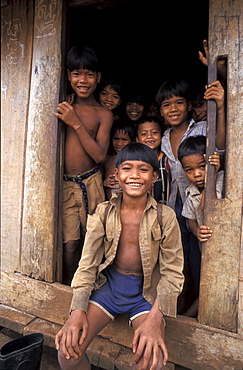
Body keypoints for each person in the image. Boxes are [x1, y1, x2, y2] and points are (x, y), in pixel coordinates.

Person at [55, 142, 184, 370]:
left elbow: (172, 274)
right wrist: (77, 310)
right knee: (68, 353)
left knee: (152, 362)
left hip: (145, 295)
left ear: (154, 177)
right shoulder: (103, 213)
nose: (135, 175)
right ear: (116, 174)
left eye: (143, 170)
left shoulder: (166, 217)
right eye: (127, 168)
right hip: (108, 289)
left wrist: (156, 318)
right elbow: (87, 264)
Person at [155, 78, 225, 313]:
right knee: (179, 260)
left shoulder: (203, 128)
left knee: (202, 259)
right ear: (161, 111)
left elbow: (222, 145)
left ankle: (203, 308)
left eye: (179, 103)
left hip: (203, 207)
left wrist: (222, 107)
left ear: (189, 106)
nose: (173, 109)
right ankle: (179, 307)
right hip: (177, 208)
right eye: (167, 105)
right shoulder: (164, 137)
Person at [54, 45, 113, 285]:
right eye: (77, 74)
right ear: (68, 76)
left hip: (91, 182)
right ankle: (70, 283)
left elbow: (100, 155)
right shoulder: (61, 106)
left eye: (89, 74)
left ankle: (91, 284)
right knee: (70, 243)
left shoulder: (103, 114)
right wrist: (70, 114)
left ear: (98, 78)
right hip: (66, 184)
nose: (83, 80)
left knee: (95, 238)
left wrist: (75, 122)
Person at [178, 135, 224, 317]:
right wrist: (195, 230)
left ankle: (188, 317)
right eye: (189, 170)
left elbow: (208, 206)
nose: (196, 174)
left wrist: (211, 177)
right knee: (203, 283)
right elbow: (190, 219)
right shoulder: (190, 191)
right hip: (203, 250)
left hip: (223, 249)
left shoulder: (221, 180)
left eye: (202, 167)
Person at [136, 116, 170, 204]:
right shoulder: (135, 162)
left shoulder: (167, 160)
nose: (149, 136)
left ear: (162, 136)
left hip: (167, 209)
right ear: (137, 140)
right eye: (144, 134)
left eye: (154, 132)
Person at [102, 119, 135, 199]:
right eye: (116, 139)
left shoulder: (136, 160)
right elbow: (98, 180)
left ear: (132, 140)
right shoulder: (106, 160)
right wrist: (104, 183)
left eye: (124, 139)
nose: (119, 143)